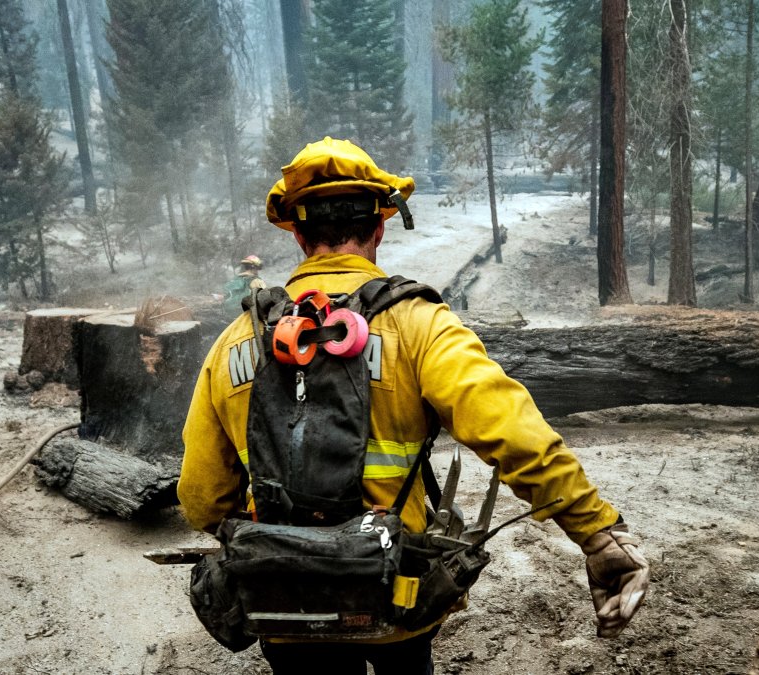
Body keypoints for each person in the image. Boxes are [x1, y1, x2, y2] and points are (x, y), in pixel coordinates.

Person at [178, 138, 649, 674]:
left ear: (299, 235)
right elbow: (514, 432)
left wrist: (279, 544)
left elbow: (201, 499)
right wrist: (597, 533)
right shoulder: (421, 324)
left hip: (283, 602)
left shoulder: (235, 341)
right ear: (379, 228)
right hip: (394, 596)